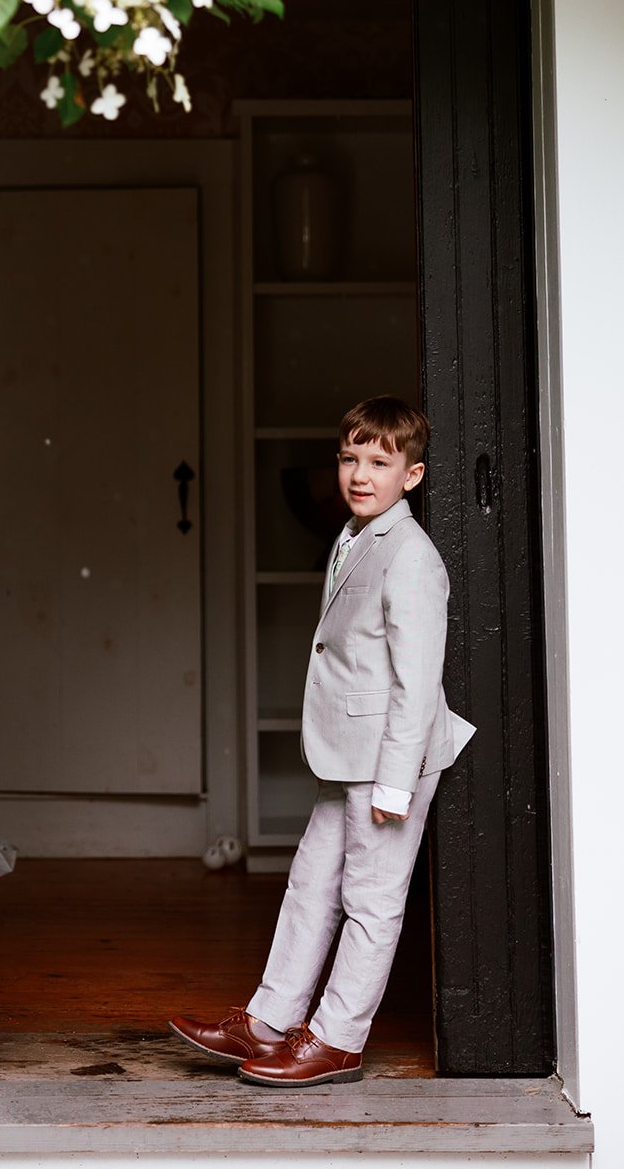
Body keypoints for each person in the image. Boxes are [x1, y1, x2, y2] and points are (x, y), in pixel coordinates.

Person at [170, 395, 475, 1089]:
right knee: (311, 882)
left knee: (371, 897)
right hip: (350, 750)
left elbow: (416, 686)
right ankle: (271, 1019)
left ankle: (338, 1039)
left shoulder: (412, 559)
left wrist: (395, 784)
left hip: (390, 756)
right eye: (348, 459)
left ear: (413, 476)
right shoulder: (354, 536)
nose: (359, 474)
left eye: (378, 461)